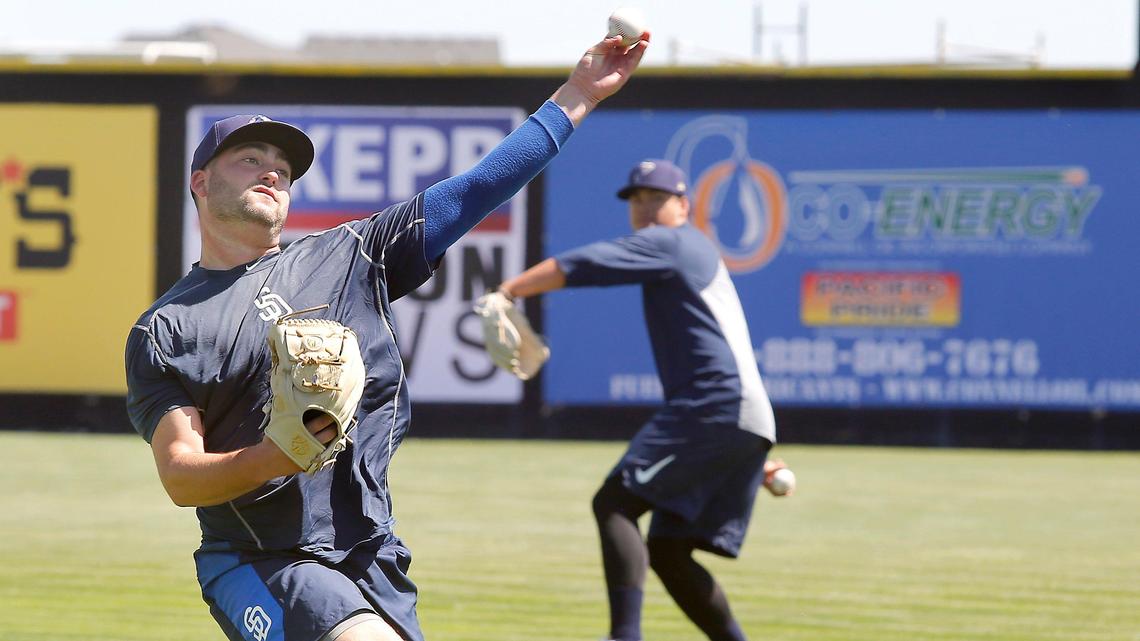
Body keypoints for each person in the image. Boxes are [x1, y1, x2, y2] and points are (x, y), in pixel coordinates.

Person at [124, 33, 648, 641]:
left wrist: (579, 93)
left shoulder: (351, 255)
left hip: (372, 555)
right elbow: (181, 476)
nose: (272, 171)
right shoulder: (167, 328)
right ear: (199, 182)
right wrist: (276, 455)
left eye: (284, 170)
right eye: (251, 158)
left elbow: (478, 187)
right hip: (261, 558)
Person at [495, 159, 786, 641]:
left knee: (614, 503)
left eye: (656, 197)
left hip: (715, 409)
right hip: (737, 417)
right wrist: (751, 445)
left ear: (683, 206)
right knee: (669, 549)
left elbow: (585, 265)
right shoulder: (691, 251)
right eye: (636, 200)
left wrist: (511, 289)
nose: (644, 207)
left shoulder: (674, 242)